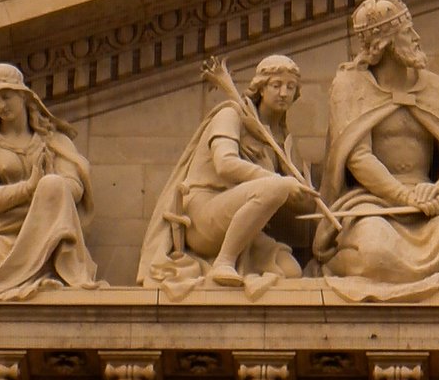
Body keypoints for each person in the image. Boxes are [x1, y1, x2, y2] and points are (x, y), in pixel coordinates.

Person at [317, 0, 439, 296]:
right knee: (376, 251)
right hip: (373, 205)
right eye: (408, 33)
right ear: (384, 43)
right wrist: (405, 196)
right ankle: (342, 258)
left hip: (430, 208)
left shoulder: (435, 87)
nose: (418, 38)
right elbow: (359, 158)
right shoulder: (349, 87)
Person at [138, 59, 327, 289]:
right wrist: (279, 182)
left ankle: (235, 260)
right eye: (276, 85)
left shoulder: (281, 139)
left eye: (290, 87)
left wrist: (304, 197)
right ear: (261, 87)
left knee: (291, 270)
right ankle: (224, 262)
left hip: (245, 228)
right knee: (277, 187)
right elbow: (225, 163)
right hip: (204, 212)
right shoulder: (231, 114)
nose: (284, 92)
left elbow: (302, 204)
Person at [0, 66, 101, 300]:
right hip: (2, 232)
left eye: (6, 97)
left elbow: (75, 189)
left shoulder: (54, 140)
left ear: (23, 95)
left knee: (54, 183)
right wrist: (28, 188)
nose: (1, 106)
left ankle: (48, 268)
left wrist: (45, 187)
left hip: (48, 232)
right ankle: (33, 276)